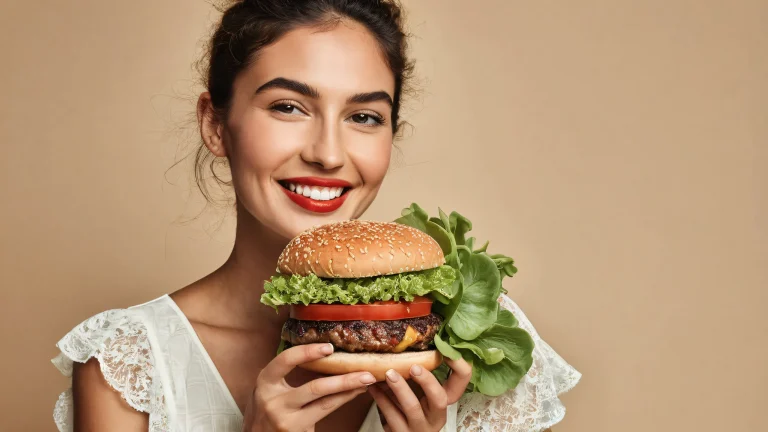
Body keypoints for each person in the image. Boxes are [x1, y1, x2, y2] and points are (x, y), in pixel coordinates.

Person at [51, 1, 580, 431]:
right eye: (288, 107)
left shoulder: (475, 344)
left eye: (365, 116)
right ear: (216, 125)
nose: (328, 153)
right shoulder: (127, 363)